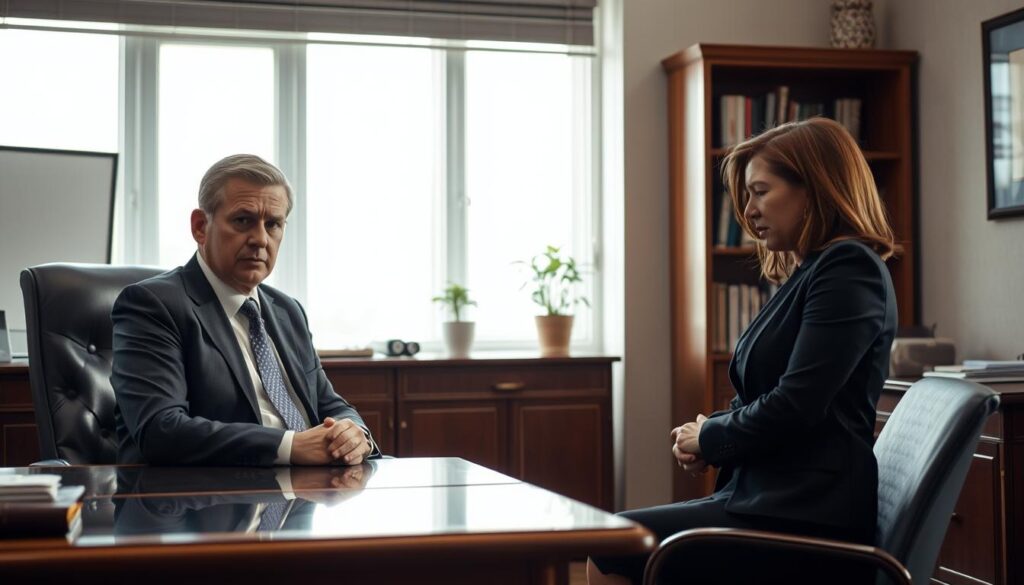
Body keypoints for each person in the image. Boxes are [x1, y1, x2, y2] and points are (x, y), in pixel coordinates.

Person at [588, 117, 898, 584]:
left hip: (807, 517)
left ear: (814, 188)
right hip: (772, 500)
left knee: (611, 545)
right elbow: (770, 395)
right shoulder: (809, 272)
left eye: (760, 191)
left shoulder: (848, 267)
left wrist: (712, 437)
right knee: (614, 539)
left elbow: (797, 405)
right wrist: (711, 435)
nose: (748, 210)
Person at [111, 154, 378, 467]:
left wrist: (355, 433)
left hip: (306, 496)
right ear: (200, 227)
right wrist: (290, 446)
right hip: (210, 501)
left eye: (273, 224)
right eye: (243, 221)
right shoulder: (153, 305)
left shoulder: (286, 310)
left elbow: (327, 403)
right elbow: (161, 429)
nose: (260, 239)